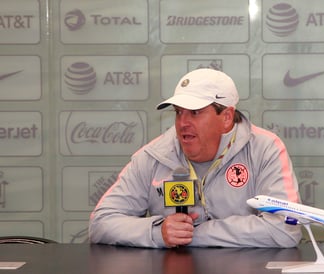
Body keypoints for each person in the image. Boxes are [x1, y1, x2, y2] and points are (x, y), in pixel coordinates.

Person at [89, 68, 302, 248]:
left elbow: (285, 227)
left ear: (226, 117)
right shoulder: (154, 155)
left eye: (195, 112)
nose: (183, 123)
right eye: (179, 112)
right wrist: (158, 232)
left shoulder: (265, 149)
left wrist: (193, 233)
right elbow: (101, 223)